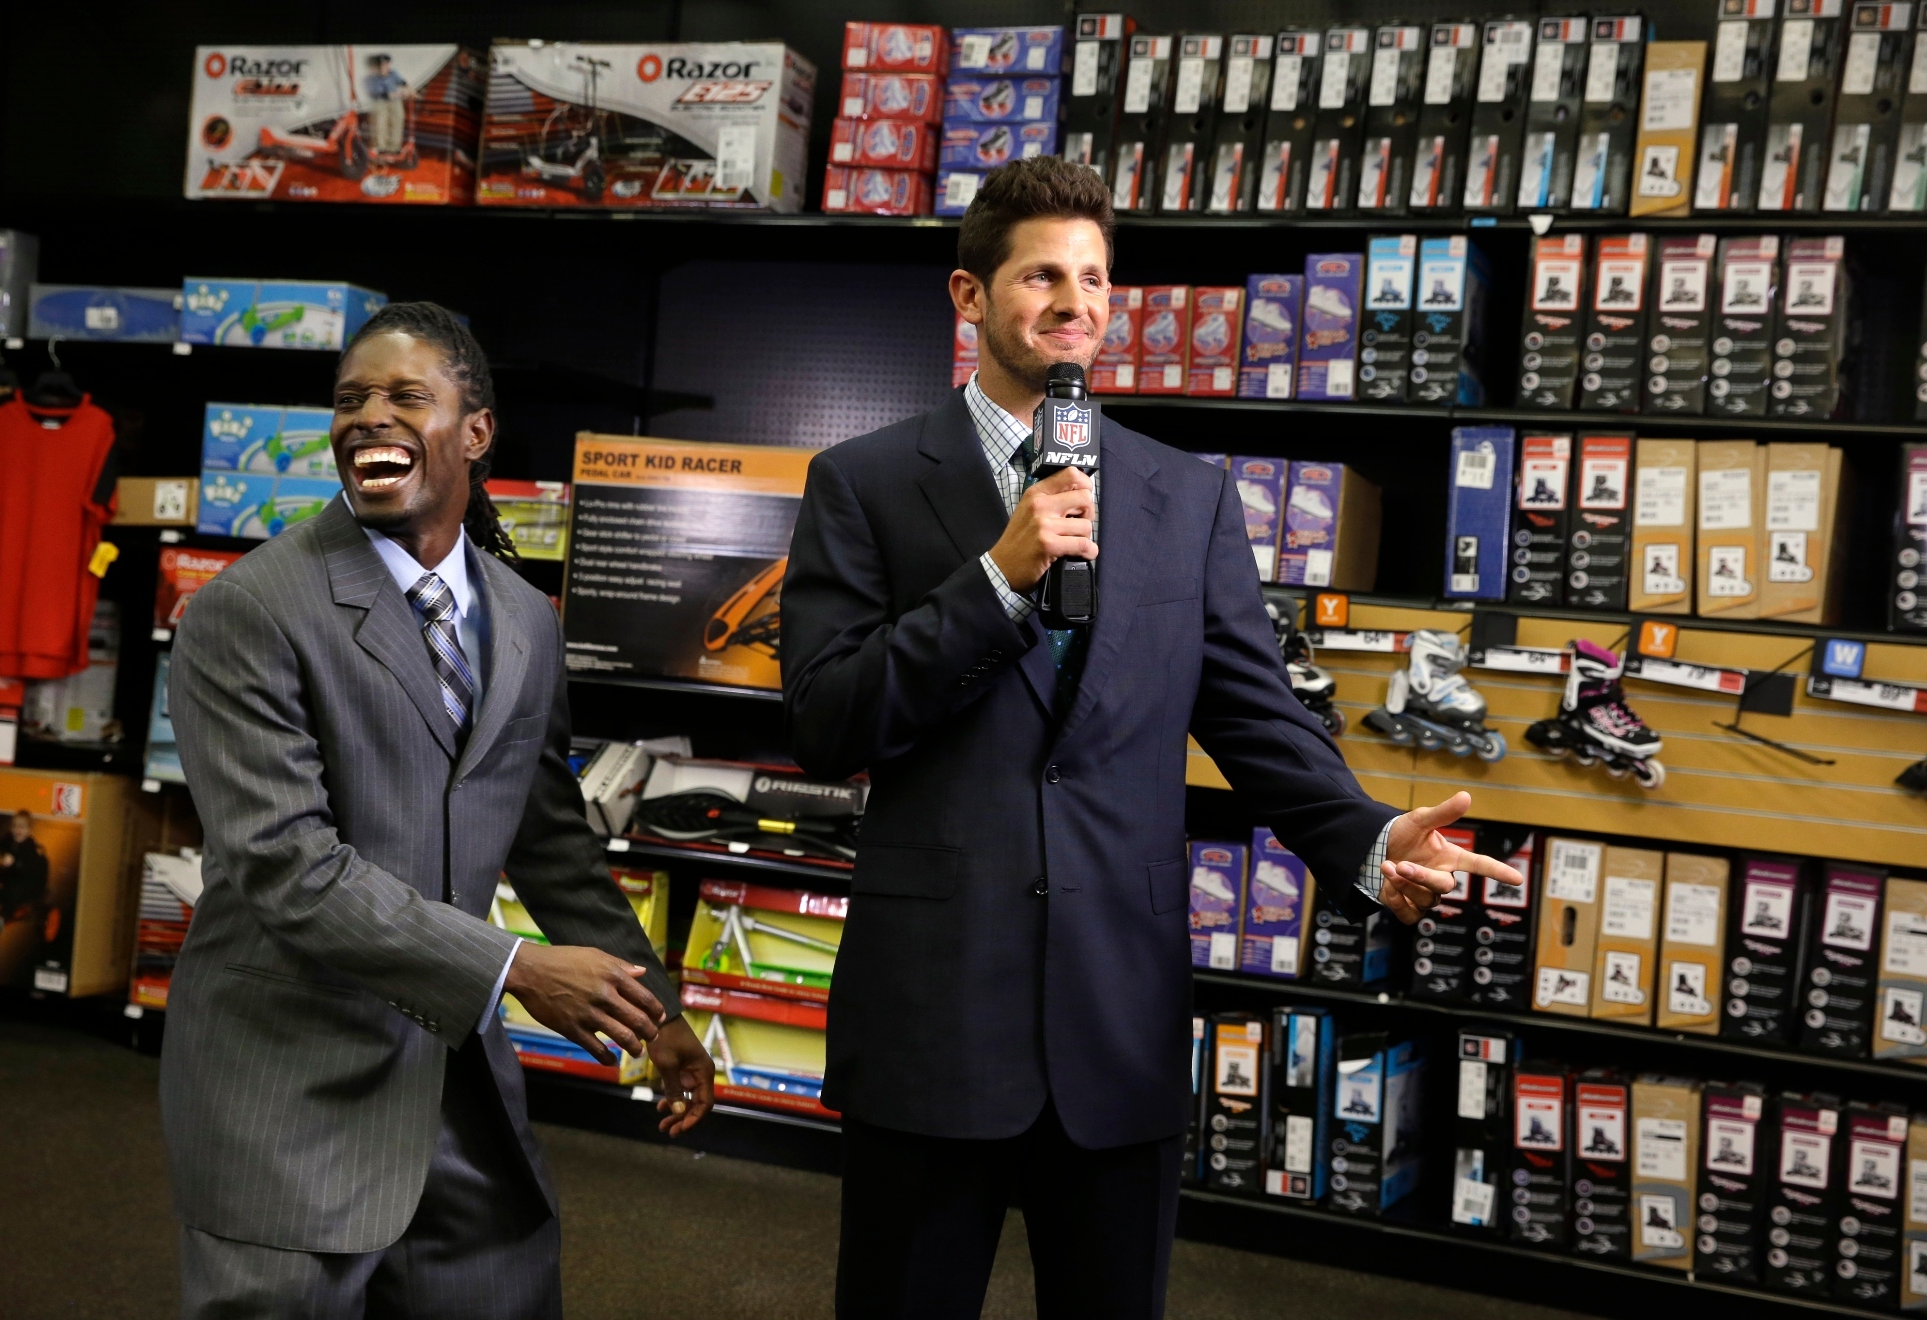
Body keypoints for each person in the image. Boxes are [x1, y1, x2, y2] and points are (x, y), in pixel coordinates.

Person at [781, 157, 1524, 1319]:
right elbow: (828, 720)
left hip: (1116, 1020)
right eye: (1042, 275)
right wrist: (996, 576)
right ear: (969, 297)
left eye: (1095, 278)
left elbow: (1254, 716)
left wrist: (1371, 843)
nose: (1077, 302)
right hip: (932, 1014)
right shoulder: (862, 483)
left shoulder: (1188, 497)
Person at [162, 302, 714, 1318]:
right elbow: (288, 868)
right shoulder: (248, 611)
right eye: (350, 400)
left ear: (475, 431)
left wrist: (658, 1010)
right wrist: (516, 970)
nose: (369, 416)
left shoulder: (521, 620)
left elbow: (550, 842)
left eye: (405, 395)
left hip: (456, 1090)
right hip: (292, 1090)